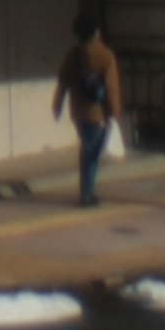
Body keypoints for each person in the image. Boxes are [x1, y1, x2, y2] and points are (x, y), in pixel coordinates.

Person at [55, 11, 124, 211]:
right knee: (91, 154)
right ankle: (87, 193)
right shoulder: (105, 56)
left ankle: (87, 191)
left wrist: (57, 106)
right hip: (98, 114)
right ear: (96, 31)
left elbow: (62, 83)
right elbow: (111, 88)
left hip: (77, 112)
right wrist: (115, 112)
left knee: (87, 150)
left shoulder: (72, 55)